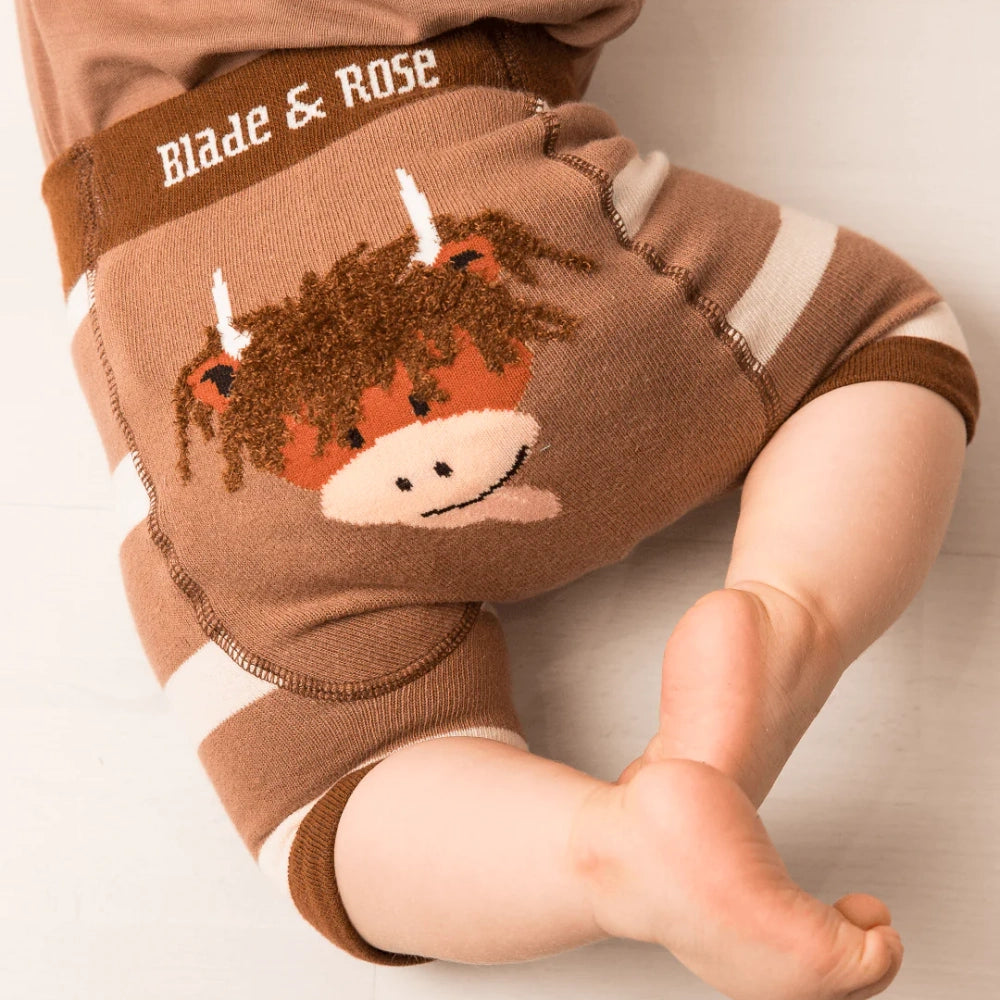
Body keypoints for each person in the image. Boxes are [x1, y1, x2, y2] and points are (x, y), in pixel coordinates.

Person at [15, 3, 980, 998]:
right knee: (875, 333)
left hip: (185, 321)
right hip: (467, 195)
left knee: (336, 797)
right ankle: (787, 616)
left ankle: (610, 857)